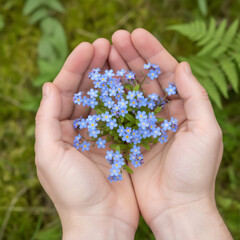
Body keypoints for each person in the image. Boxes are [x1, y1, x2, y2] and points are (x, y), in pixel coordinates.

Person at [34, 28, 233, 240]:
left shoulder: (135, 117)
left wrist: (91, 221)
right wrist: (186, 206)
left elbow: (128, 126)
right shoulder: (105, 118)